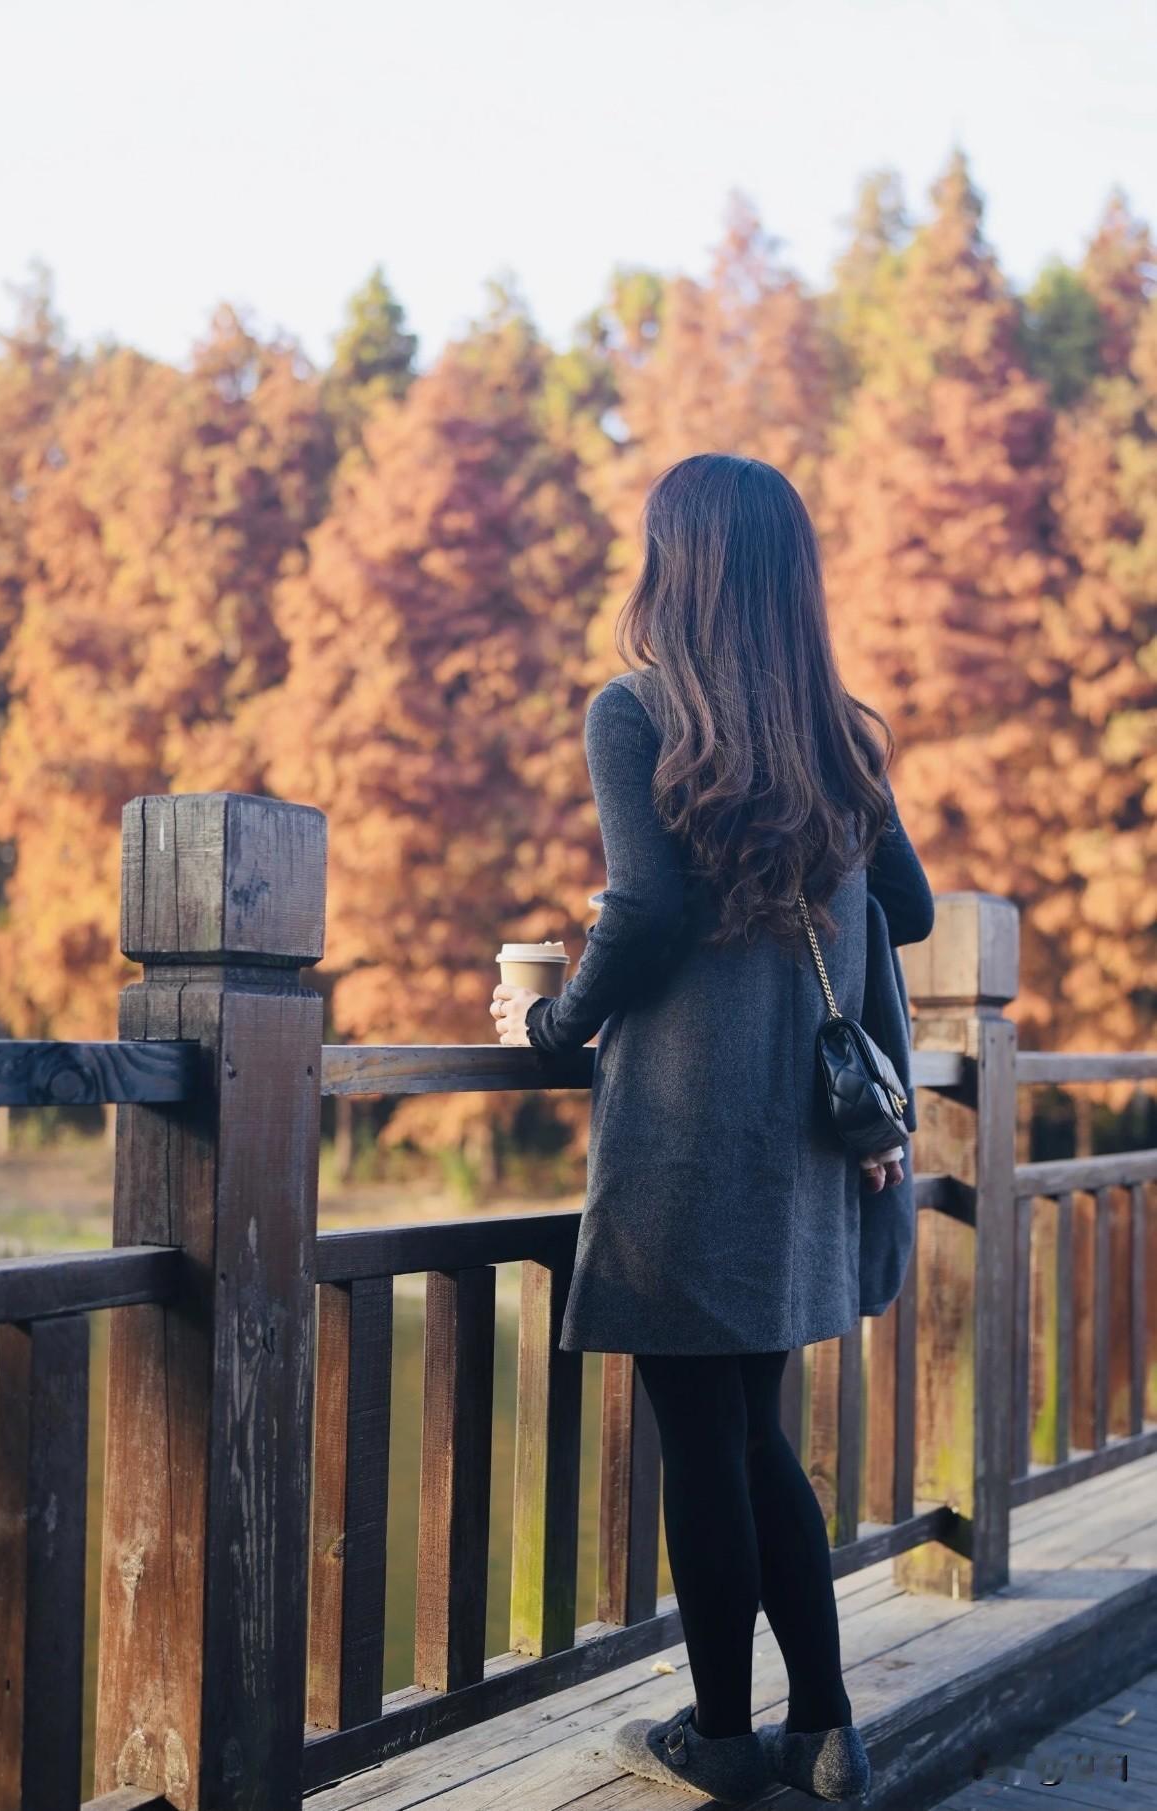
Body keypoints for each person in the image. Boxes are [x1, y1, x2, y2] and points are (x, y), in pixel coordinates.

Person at [489, 453, 934, 1807]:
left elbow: (644, 915)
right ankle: (826, 1734)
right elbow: (904, 914)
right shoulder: (838, 731)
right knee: (755, 1439)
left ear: (674, 564)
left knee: (708, 1441)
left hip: (686, 1139)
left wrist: (549, 1030)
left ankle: (724, 1740)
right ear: (789, 580)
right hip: (802, 1143)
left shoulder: (634, 713)